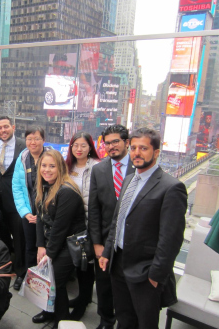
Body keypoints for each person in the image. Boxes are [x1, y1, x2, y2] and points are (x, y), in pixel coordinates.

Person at [99, 128, 187, 329]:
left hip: (145, 271)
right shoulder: (130, 178)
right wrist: (107, 252)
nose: (137, 153)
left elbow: (171, 239)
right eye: (134, 148)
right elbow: (118, 220)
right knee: (124, 318)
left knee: (145, 324)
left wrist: (156, 275)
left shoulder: (171, 188)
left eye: (144, 148)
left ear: (156, 152)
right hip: (118, 262)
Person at [87, 124, 134, 329]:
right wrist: (97, 243)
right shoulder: (99, 169)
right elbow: (94, 209)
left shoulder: (139, 166)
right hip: (105, 239)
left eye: (115, 141)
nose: (111, 146)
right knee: (104, 284)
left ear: (126, 142)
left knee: (127, 287)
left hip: (132, 240)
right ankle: (106, 320)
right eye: (107, 143)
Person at [34, 150, 86, 328]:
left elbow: (60, 228)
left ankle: (61, 319)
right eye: (44, 165)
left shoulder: (67, 191)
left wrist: (49, 253)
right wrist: (40, 246)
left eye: (52, 166)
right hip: (54, 242)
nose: (46, 170)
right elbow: (40, 218)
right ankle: (49, 312)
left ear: (60, 167)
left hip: (69, 245)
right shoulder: (44, 186)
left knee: (57, 281)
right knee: (49, 279)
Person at [0, 116, 26, 291]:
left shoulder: (23, 145)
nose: (3, 130)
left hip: (17, 200)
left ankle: (21, 272)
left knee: (20, 237)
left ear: (13, 127)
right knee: (0, 235)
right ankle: (6, 264)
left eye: (6, 127)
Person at [65, 132, 100, 320]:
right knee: (75, 263)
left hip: (87, 223)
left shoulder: (97, 167)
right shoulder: (67, 166)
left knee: (86, 264)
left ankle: (84, 301)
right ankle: (81, 297)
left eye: (83, 145)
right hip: (69, 223)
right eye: (75, 145)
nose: (79, 149)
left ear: (90, 147)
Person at [12, 126, 49, 290]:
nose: (32, 142)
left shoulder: (51, 157)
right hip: (28, 213)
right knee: (29, 246)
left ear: (43, 140)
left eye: (36, 138)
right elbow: (17, 187)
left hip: (47, 213)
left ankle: (45, 280)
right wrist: (25, 212)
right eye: (29, 139)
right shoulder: (22, 157)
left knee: (46, 247)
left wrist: (44, 213)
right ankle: (29, 278)